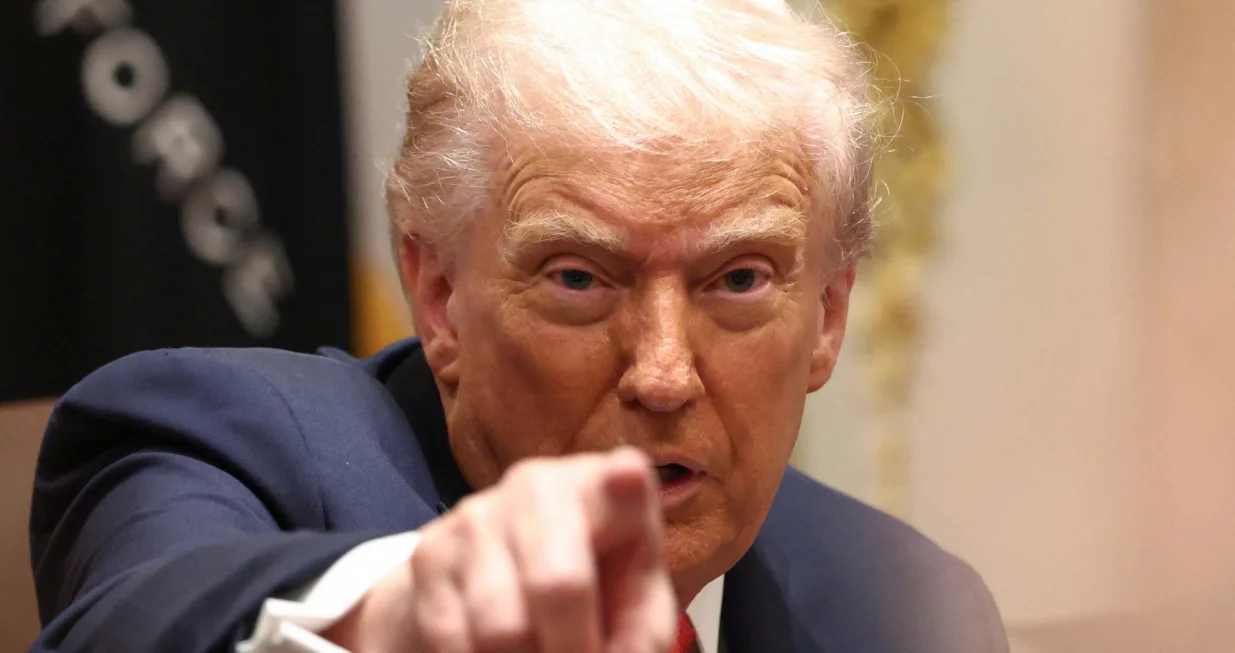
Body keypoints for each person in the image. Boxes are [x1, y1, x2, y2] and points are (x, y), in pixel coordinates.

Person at [28, 1, 1009, 651]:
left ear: (828, 312)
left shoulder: (904, 603)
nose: (662, 373)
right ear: (441, 292)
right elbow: (132, 618)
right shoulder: (222, 438)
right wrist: (388, 611)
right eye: (579, 277)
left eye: (739, 278)